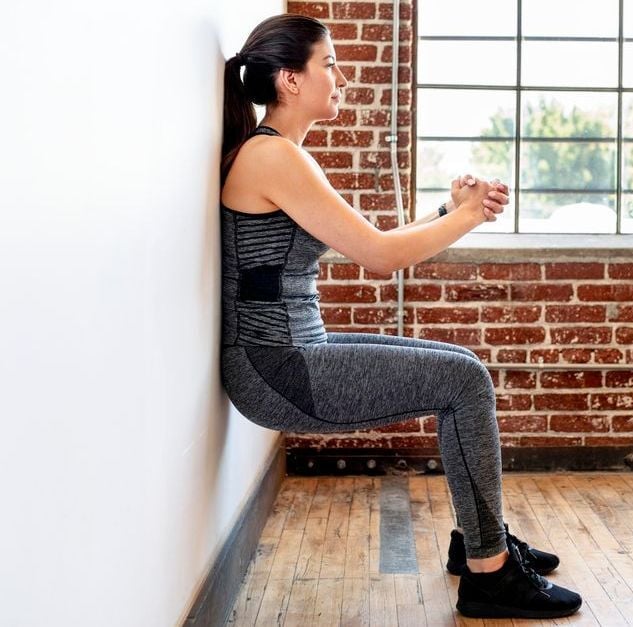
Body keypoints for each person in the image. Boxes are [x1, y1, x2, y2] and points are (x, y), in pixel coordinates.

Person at [218, 13, 582, 620]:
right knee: (464, 383)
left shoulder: (278, 155)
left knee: (463, 367)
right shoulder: (273, 158)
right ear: (289, 79)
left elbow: (373, 238)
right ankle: (489, 575)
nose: (340, 74)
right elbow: (381, 258)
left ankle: (479, 542)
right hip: (276, 367)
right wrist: (469, 217)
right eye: (328, 63)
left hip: (290, 353)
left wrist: (450, 208)